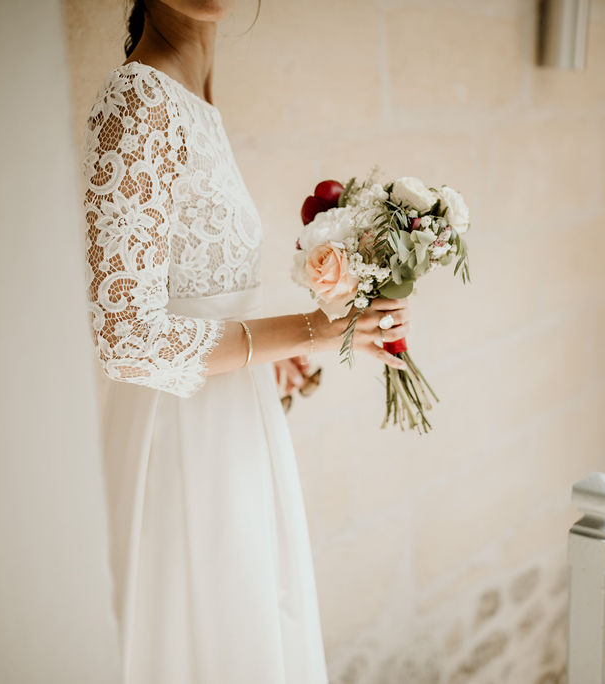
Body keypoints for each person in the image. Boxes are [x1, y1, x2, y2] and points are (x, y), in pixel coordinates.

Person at [80, 1, 411, 681]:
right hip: (179, 446)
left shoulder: (196, 98)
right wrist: (314, 330)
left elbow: (195, 299)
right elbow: (125, 337)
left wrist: (286, 358)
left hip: (232, 425)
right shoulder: (138, 100)